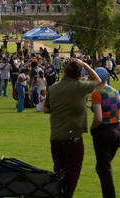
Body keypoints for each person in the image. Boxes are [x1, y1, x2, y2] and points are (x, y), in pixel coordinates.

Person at [43, 58, 102, 198]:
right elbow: (98, 81)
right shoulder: (79, 86)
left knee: (58, 173)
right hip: (73, 138)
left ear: (64, 71)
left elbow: (46, 109)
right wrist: (86, 64)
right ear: (79, 74)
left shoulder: (54, 87)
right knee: (72, 175)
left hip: (56, 137)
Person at [90, 68, 120, 198]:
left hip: (104, 132)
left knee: (104, 170)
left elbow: (98, 118)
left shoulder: (97, 94)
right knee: (102, 167)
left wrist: (93, 127)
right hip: (117, 130)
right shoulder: (115, 92)